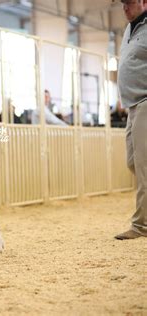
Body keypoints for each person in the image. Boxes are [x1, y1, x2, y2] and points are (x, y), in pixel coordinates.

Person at [114, 0, 147, 240]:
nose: (125, 8)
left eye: (129, 3)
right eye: (123, 4)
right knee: (132, 163)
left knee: (144, 167)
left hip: (145, 100)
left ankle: (140, 226)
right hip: (132, 104)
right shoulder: (129, 29)